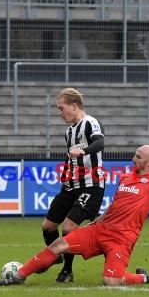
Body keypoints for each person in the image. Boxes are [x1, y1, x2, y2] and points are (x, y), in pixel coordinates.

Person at [0, 141, 149, 287]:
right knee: (58, 244)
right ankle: (19, 276)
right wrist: (100, 219)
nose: (133, 159)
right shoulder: (126, 178)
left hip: (122, 238)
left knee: (110, 280)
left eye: (137, 156)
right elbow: (117, 204)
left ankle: (143, 277)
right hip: (100, 230)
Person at [41, 88, 105, 283]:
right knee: (47, 227)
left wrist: (83, 151)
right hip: (70, 186)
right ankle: (56, 254)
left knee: (68, 228)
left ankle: (67, 271)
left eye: (61, 108)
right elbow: (71, 158)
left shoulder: (90, 123)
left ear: (74, 106)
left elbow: (100, 143)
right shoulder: (69, 131)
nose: (60, 113)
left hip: (90, 186)